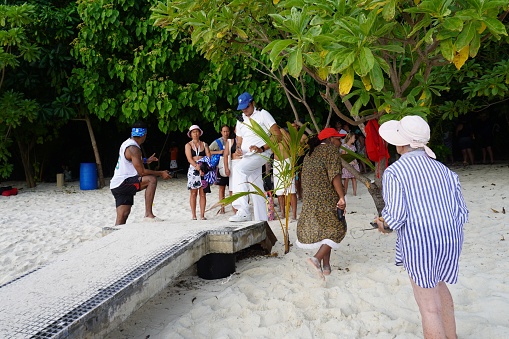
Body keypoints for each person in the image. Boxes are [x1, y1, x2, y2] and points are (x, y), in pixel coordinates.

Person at [375, 115, 469, 339]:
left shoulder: (395, 172)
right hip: (450, 238)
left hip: (421, 242)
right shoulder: (444, 170)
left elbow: (396, 216)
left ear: (401, 143)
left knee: (428, 306)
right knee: (438, 284)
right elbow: (461, 211)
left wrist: (383, 223)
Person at [296, 128, 347, 280]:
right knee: (338, 228)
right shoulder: (330, 151)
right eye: (338, 139)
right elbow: (335, 176)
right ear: (331, 139)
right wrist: (341, 197)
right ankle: (316, 258)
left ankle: (326, 266)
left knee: (327, 229)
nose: (340, 142)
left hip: (311, 198)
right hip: (326, 197)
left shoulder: (311, 153)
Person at [229, 92, 282, 222]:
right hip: (247, 156)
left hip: (261, 153)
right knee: (256, 186)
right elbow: (239, 138)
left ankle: (243, 210)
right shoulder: (241, 119)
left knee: (238, 170)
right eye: (242, 108)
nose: (244, 110)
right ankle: (262, 220)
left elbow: (277, 135)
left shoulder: (263, 114)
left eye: (246, 107)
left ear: (253, 103)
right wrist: (238, 148)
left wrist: (263, 148)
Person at [110, 122, 171, 225]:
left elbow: (131, 158)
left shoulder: (127, 143)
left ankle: (115, 236)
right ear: (144, 135)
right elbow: (142, 172)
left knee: (123, 216)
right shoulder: (134, 149)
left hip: (116, 184)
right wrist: (161, 173)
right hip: (123, 182)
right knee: (151, 179)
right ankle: (148, 214)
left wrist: (146, 160)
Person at [185, 124, 212, 220]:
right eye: (193, 132)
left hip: (204, 166)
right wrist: (197, 167)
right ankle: (193, 215)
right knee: (193, 193)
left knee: (202, 193)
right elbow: (189, 158)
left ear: (199, 133)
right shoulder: (188, 145)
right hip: (193, 168)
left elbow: (209, 156)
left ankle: (202, 214)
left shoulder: (204, 144)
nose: (195, 134)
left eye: (197, 132)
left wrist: (204, 167)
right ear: (191, 134)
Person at [273, 128, 297, 221]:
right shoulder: (272, 135)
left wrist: (283, 132)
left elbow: (291, 145)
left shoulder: (283, 132)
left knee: (291, 190)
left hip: (287, 161)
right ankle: (282, 212)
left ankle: (294, 214)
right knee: (279, 191)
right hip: (276, 163)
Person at [209, 125, 231, 214]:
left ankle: (233, 206)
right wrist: (219, 152)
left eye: (227, 131)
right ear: (221, 132)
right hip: (220, 167)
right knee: (222, 188)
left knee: (231, 188)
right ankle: (222, 208)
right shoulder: (217, 142)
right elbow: (208, 151)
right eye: (224, 131)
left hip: (230, 166)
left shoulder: (232, 141)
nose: (226, 133)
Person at [223, 125, 241, 214]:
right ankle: (234, 209)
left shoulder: (246, 141)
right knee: (232, 187)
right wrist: (226, 168)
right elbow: (225, 155)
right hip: (234, 164)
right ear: (234, 130)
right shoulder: (230, 142)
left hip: (243, 164)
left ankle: (242, 208)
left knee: (244, 186)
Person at [341, 132, 360, 196]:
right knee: (346, 179)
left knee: (353, 178)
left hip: (353, 163)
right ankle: (345, 192)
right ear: (350, 138)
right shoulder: (344, 146)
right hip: (348, 163)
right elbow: (343, 156)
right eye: (354, 138)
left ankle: (355, 192)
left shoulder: (353, 147)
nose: (355, 139)